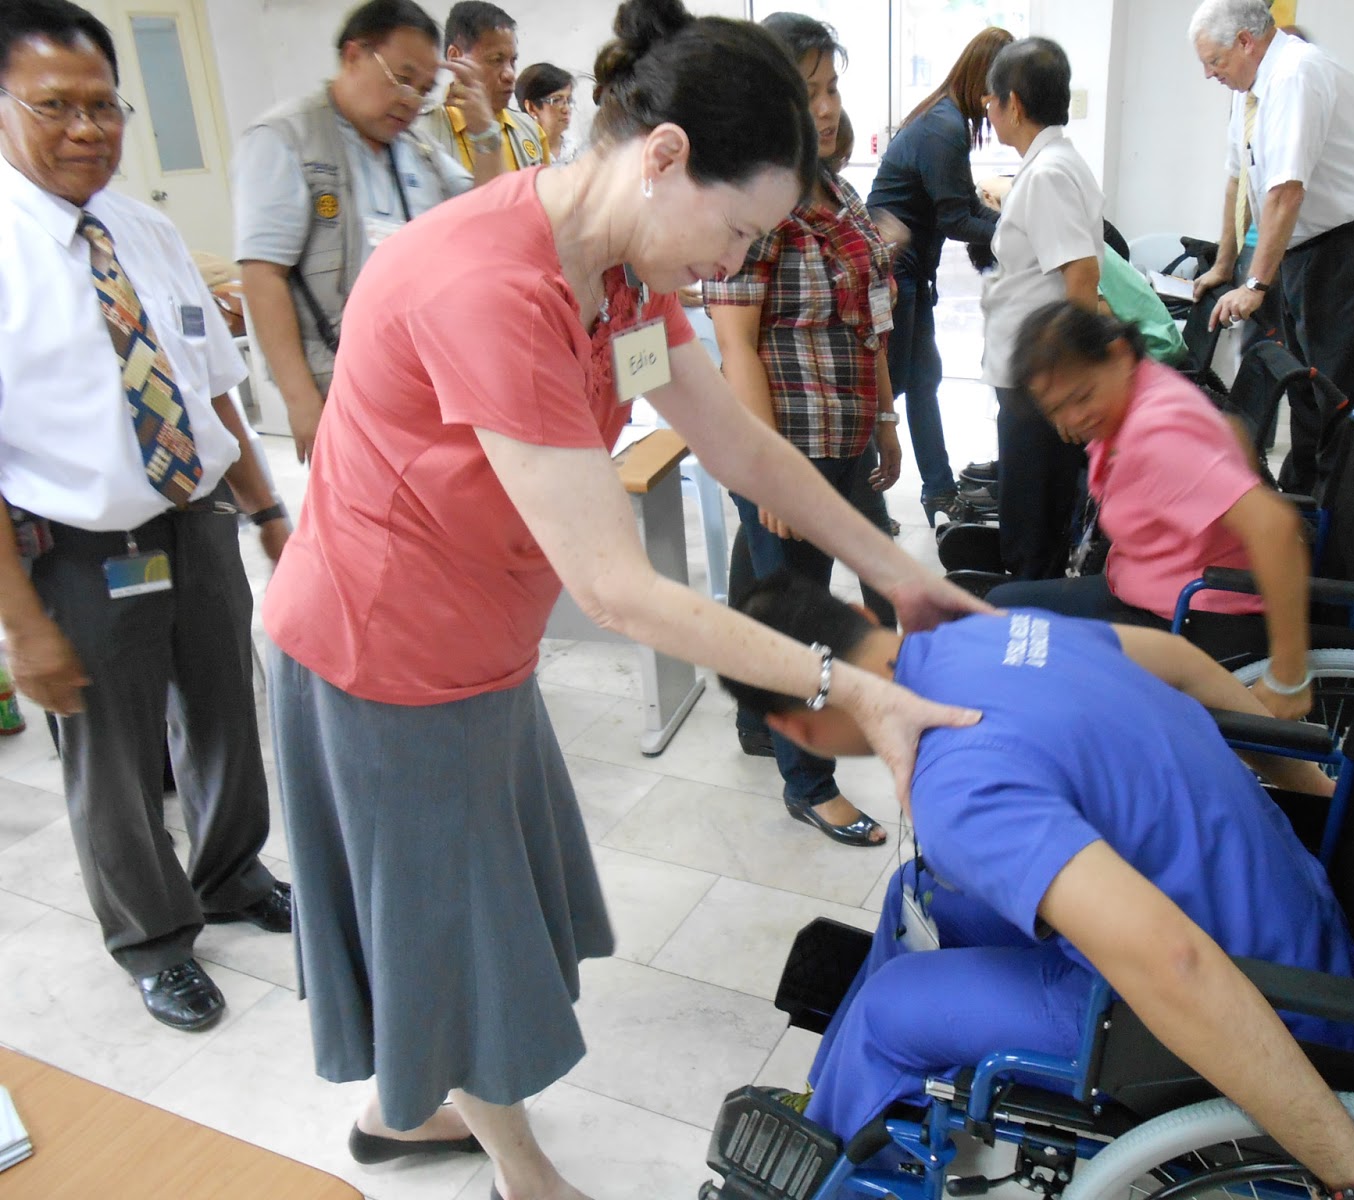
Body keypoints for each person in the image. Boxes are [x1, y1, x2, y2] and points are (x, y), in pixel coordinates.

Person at [261, 0, 987, 1192]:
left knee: (479, 908)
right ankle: (513, 1164)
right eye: (739, 228)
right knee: (457, 926)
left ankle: (420, 1111)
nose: (738, 263)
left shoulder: (619, 274)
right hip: (381, 652)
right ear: (663, 157)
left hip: (476, 639)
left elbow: (738, 444)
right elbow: (614, 588)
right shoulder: (492, 288)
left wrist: (900, 572)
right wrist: (841, 683)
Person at [723, 573, 1354, 1200]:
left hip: (1264, 1006)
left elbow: (1175, 964)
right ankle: (833, 1108)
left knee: (887, 1010)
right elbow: (1188, 664)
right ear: (864, 616)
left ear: (794, 729)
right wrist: (1313, 791)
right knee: (921, 889)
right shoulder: (1001, 631)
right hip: (1287, 908)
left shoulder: (958, 784)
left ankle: (833, 1175)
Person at [0, 0, 291, 1032]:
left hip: (195, 516)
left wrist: (264, 509)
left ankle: (229, 873)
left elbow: (212, 388)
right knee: (112, 756)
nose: (88, 129)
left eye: (103, 106)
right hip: (79, 552)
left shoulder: (147, 227)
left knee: (222, 706)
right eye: (55, 107)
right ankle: (152, 937)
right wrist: (24, 627)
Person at [705, 14, 901, 848]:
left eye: (831, 89)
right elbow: (733, 347)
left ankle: (762, 724)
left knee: (784, 585)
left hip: (849, 430)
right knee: (800, 615)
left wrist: (888, 416)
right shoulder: (754, 203)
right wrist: (764, 472)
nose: (825, 107)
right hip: (789, 447)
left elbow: (867, 315)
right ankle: (807, 782)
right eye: (809, 89)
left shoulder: (832, 188)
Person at [987, 304, 1312, 720]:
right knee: (1002, 609)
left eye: (1082, 397)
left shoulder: (1156, 436)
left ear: (1120, 354)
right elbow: (1233, 434)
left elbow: (1275, 526)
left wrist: (1290, 674)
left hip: (1194, 617)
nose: (1072, 418)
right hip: (1152, 587)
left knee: (1011, 630)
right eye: (1056, 410)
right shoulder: (1147, 384)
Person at [233, 0, 497, 463]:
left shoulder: (416, 147)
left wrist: (485, 134)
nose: (411, 100)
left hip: (420, 376)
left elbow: (487, 215)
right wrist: (301, 404)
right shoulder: (285, 139)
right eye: (401, 78)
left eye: (425, 89)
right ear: (354, 56)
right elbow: (262, 277)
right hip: (339, 382)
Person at [1187, 0, 1354, 493]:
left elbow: (1286, 190)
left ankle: (1340, 524)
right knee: (1303, 384)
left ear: (1246, 41)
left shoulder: (1296, 74)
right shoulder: (1249, 89)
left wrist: (1257, 283)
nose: (1208, 73)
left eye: (1214, 61)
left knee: (1339, 390)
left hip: (1350, 243)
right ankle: (1303, 502)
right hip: (1303, 246)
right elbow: (1237, 180)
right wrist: (1225, 264)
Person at [867, 26, 1013, 523]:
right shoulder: (944, 126)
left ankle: (938, 490)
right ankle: (866, 502)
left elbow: (962, 205)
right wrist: (1023, 232)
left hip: (910, 272)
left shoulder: (949, 119)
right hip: (894, 271)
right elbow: (955, 220)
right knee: (894, 390)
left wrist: (1014, 222)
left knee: (923, 381)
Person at [978, 37, 1102, 583]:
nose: (986, 109)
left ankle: (1031, 635)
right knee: (1033, 520)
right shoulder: (1049, 165)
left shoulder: (1048, 174)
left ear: (1015, 105)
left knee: (1032, 534)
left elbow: (1082, 278)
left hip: (1042, 383)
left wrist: (1074, 391)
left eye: (990, 99)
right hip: (1033, 377)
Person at [416, 2, 544, 174]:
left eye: (512, 61)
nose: (510, 74)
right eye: (496, 60)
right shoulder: (422, 133)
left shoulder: (530, 129)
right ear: (455, 57)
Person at [514, 61, 574, 164]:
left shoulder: (578, 150)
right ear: (531, 108)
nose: (566, 109)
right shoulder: (519, 154)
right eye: (556, 100)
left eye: (568, 100)